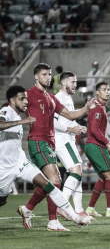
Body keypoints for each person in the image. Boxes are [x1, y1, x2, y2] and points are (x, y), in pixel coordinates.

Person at [0, 86, 92, 230]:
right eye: (22, 99)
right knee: (2, 200)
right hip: (4, 167)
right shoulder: (7, 112)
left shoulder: (19, 114)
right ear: (12, 100)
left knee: (50, 183)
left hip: (20, 162)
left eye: (26, 98)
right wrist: (21, 122)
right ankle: (28, 209)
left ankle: (74, 217)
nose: (26, 101)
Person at [20, 63, 98, 231]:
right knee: (56, 179)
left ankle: (27, 209)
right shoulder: (28, 94)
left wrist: (87, 108)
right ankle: (54, 220)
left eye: (49, 74)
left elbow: (70, 115)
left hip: (50, 143)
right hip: (37, 141)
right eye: (44, 74)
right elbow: (12, 106)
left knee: (47, 182)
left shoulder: (50, 98)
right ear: (36, 76)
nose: (48, 77)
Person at [53, 72, 91, 221]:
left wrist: (78, 126)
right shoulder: (58, 98)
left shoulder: (68, 98)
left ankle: (79, 209)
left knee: (78, 173)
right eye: (73, 82)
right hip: (62, 139)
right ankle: (62, 206)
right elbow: (54, 123)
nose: (75, 85)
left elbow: (68, 120)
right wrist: (71, 129)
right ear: (64, 83)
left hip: (68, 138)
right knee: (76, 171)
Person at [85, 82, 110, 217]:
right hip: (96, 145)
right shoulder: (98, 108)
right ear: (97, 92)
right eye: (104, 89)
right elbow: (95, 129)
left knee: (103, 178)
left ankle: (90, 209)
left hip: (91, 145)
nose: (107, 92)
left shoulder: (99, 107)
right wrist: (108, 143)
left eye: (108, 89)